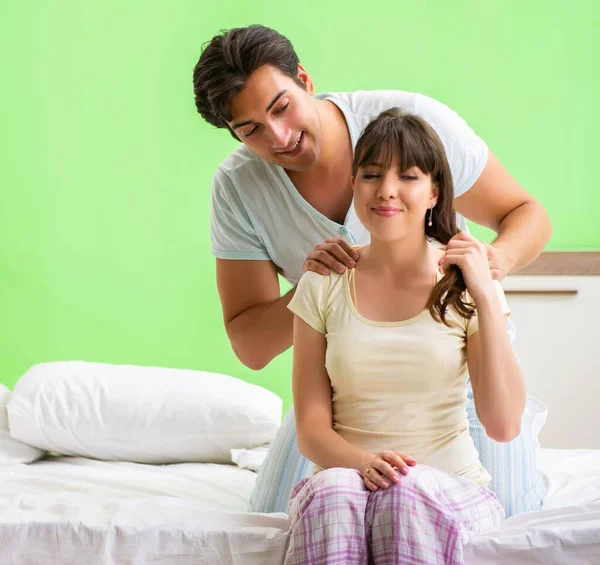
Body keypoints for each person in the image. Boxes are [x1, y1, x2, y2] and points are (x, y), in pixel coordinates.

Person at [192, 24, 551, 372]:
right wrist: (319, 285)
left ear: (304, 80)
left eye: (282, 107)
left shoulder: (415, 122)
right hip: (349, 386)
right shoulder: (238, 187)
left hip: (458, 368)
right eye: (251, 130)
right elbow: (250, 346)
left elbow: (526, 213)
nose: (280, 137)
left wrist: (494, 262)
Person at [284, 108, 524, 565]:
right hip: (344, 483)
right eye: (371, 174)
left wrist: (486, 295)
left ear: (434, 192)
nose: (387, 191)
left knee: (406, 492)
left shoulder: (466, 284)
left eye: (408, 176)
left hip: (448, 487)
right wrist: (362, 464)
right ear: (353, 184)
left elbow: (504, 423)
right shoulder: (324, 280)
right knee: (335, 490)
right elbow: (311, 431)